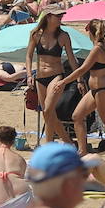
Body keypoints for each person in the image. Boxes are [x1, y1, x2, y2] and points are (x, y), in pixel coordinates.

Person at [56, 19, 105, 155]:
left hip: (102, 90)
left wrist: (64, 82)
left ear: (91, 33)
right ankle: (82, 151)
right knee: (77, 116)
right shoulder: (104, 47)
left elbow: (82, 69)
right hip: (98, 90)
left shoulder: (98, 49)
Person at [26, 11, 80, 143]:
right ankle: (63, 143)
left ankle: (54, 143)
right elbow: (28, 55)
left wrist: (79, 78)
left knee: (48, 109)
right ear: (49, 17)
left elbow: (71, 58)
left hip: (56, 75)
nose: (61, 18)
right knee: (48, 113)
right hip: (40, 77)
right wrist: (28, 75)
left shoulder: (63, 36)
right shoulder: (36, 34)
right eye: (58, 16)